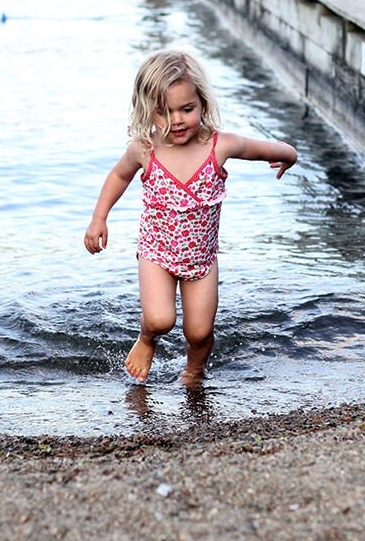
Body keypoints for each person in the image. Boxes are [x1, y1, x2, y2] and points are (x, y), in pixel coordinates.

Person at [84, 49, 297, 387]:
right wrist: (99, 218)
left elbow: (263, 149)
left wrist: (290, 155)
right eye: (163, 112)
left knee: (199, 332)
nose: (177, 120)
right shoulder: (144, 149)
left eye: (187, 109)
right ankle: (146, 340)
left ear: (203, 104)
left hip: (201, 260)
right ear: (147, 110)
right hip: (157, 252)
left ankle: (194, 371)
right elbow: (118, 177)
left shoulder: (219, 147)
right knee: (160, 318)